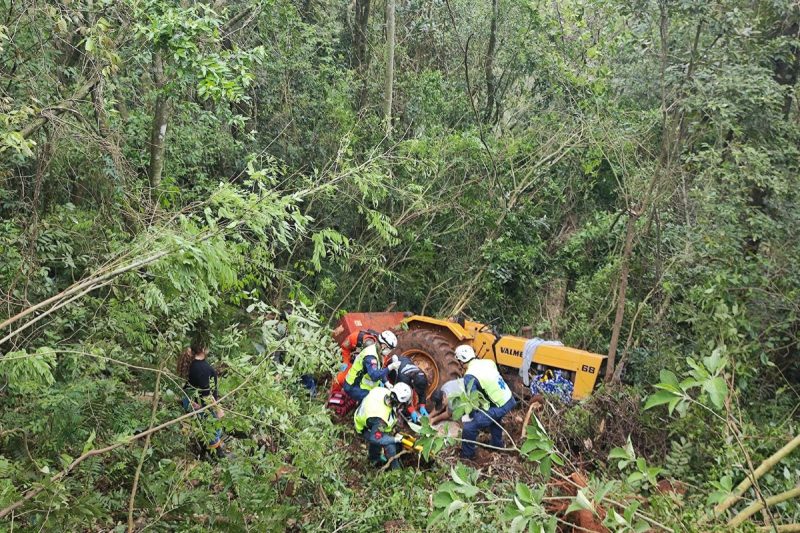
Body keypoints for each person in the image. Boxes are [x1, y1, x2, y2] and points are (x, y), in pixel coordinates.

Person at [454, 345, 517, 460]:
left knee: (469, 428)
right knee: (494, 418)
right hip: (508, 398)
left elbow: (473, 401)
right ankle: (497, 445)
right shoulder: (488, 362)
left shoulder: (469, 376)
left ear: (461, 361)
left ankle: (467, 457)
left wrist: (472, 417)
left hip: (499, 405)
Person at [180, 341, 227, 458]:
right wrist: (218, 409)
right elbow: (207, 394)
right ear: (203, 349)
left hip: (191, 400)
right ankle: (219, 457)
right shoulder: (203, 369)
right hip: (199, 404)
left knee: (203, 428)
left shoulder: (193, 363)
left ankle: (204, 454)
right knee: (214, 428)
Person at [354, 382, 412, 469]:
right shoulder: (381, 419)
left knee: (381, 438)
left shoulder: (381, 391)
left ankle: (374, 458)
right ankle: (396, 472)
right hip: (363, 428)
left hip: (365, 416)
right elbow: (375, 438)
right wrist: (395, 439)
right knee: (390, 446)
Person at [343, 330, 398, 403]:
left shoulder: (379, 353)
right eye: (389, 349)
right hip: (353, 386)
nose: (389, 351)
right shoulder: (370, 356)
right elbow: (374, 376)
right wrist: (390, 367)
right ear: (383, 346)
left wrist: (386, 382)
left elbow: (379, 370)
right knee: (377, 401)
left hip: (361, 385)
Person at [385, 355, 430, 423]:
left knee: (412, 397)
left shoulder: (421, 375)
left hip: (405, 361)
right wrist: (412, 411)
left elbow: (422, 391)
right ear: (412, 382)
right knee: (398, 397)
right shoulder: (403, 379)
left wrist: (422, 405)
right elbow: (403, 397)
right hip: (394, 367)